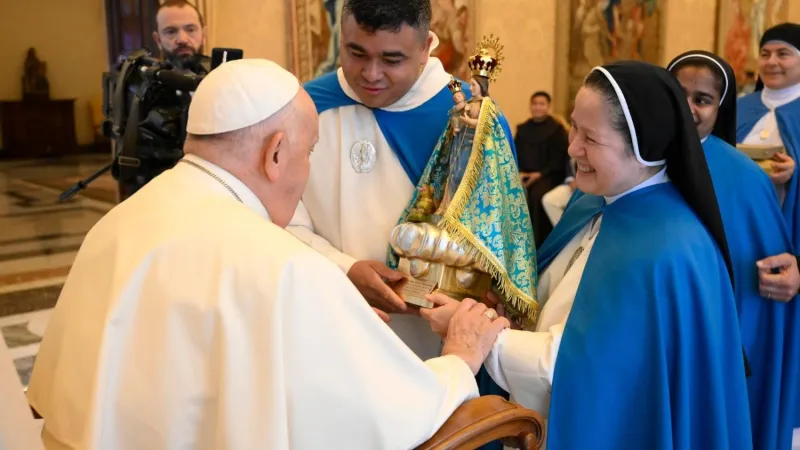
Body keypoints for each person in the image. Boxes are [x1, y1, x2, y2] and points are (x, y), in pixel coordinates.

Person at [25, 59, 511, 450]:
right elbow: (393, 414)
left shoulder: (118, 221)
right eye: (309, 153)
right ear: (275, 153)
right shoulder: (287, 268)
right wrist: (457, 359)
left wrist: (335, 325)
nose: (305, 173)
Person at [422, 61, 753, 449]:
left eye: (590, 138)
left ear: (642, 147)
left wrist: (475, 336)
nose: (572, 147)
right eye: (574, 126)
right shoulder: (596, 203)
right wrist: (507, 315)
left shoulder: (664, 247)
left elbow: (580, 367)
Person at [290, 0, 516, 362]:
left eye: (392, 59)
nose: (371, 73)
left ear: (427, 46)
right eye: (356, 53)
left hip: (433, 349)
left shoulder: (472, 122)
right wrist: (344, 269)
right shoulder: (305, 106)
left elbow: (501, 253)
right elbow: (277, 220)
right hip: (328, 334)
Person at [668, 49, 800, 450]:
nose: (688, 107)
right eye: (678, 93)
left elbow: (767, 267)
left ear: (719, 107)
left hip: (721, 333)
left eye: (702, 99)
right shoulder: (634, 158)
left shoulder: (744, 177)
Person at [738, 23, 799, 246]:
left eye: (783, 54)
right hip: (738, 218)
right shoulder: (738, 108)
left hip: (786, 222)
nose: (772, 62)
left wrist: (795, 170)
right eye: (765, 54)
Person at [515, 91, 570, 247]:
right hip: (523, 175)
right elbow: (515, 154)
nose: (538, 107)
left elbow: (559, 159)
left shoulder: (556, 130)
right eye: (535, 104)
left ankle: (538, 244)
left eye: (542, 104)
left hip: (549, 176)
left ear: (548, 107)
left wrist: (539, 174)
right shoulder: (523, 129)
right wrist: (520, 173)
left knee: (537, 195)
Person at [151, 0, 209, 72]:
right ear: (158, 40)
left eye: (190, 30)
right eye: (171, 32)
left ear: (204, 35)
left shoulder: (223, 76)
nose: (182, 39)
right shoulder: (147, 82)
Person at [541, 158, 576, 226]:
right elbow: (569, 162)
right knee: (549, 200)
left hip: (592, 187)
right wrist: (571, 180)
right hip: (572, 184)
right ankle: (565, 231)